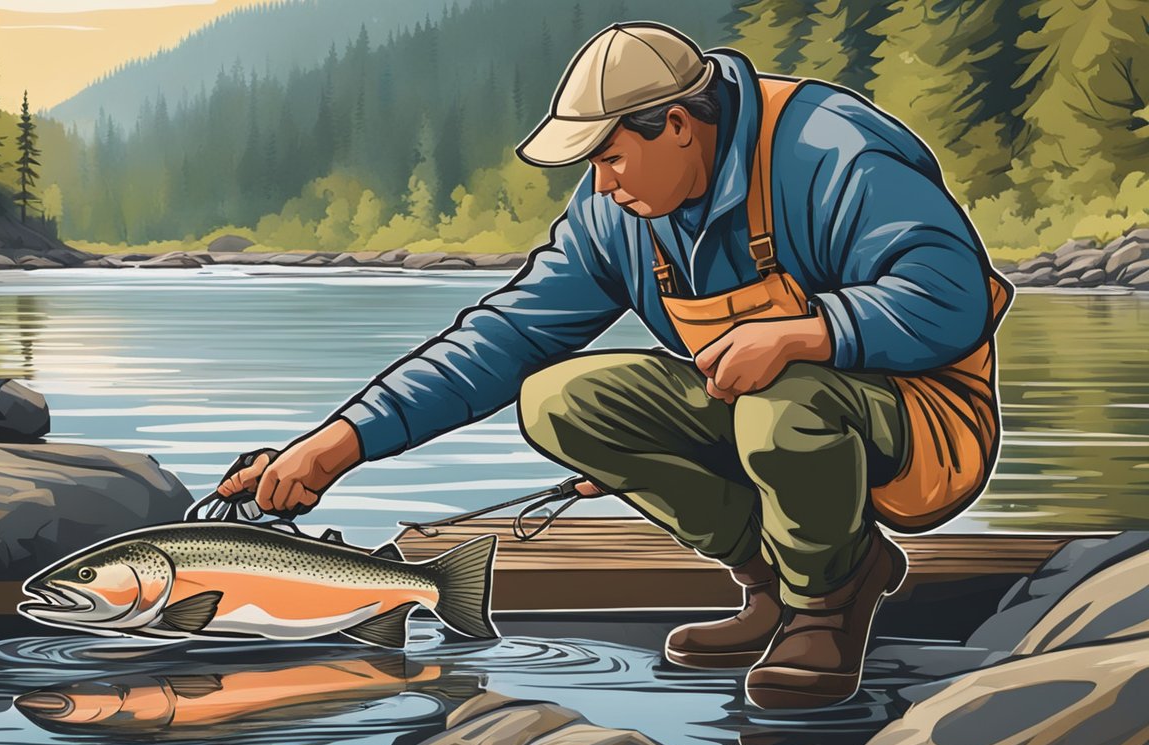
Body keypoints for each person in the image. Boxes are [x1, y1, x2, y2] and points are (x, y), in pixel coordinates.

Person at [217, 22, 1010, 709]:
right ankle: (774, 579)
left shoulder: (831, 147)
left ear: (676, 125)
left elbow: (952, 297)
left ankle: (830, 602)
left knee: (787, 397)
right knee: (558, 399)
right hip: (762, 413)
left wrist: (806, 334)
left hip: (925, 426)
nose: (600, 184)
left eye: (609, 158)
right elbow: (499, 340)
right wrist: (336, 446)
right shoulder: (615, 212)